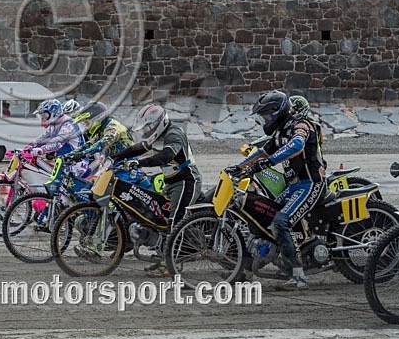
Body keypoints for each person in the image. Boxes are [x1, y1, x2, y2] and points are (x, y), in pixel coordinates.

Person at [226, 90, 326, 290]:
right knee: (264, 216)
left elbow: (296, 146)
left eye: (265, 115)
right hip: (294, 186)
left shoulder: (301, 125)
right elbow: (263, 152)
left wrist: (268, 163)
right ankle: (247, 270)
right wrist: (239, 167)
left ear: (277, 111)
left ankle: (299, 277)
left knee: (281, 221)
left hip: (311, 184)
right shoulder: (280, 132)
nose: (264, 120)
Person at [112, 103, 203, 276]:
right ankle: (164, 255)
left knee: (175, 221)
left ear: (158, 123)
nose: (146, 131)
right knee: (161, 218)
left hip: (186, 181)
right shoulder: (158, 135)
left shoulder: (174, 134)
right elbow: (138, 148)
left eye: (148, 127)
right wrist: (116, 156)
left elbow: (165, 156)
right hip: (171, 183)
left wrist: (139, 163)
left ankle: (171, 264)